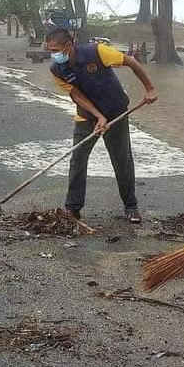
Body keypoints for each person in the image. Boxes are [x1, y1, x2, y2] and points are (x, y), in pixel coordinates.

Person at [45, 28, 158, 223]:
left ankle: (131, 206)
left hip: (116, 110)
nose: (54, 55)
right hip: (87, 115)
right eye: (50, 51)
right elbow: (76, 95)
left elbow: (130, 61)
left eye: (55, 50)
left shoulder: (97, 51)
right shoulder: (57, 70)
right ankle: (72, 209)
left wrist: (149, 88)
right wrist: (98, 116)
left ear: (69, 46)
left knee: (122, 159)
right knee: (77, 159)